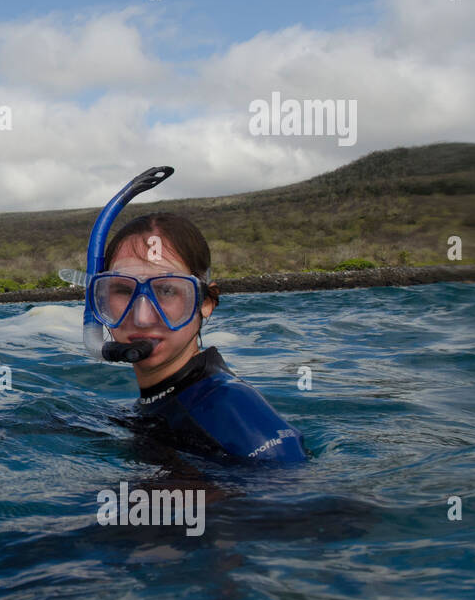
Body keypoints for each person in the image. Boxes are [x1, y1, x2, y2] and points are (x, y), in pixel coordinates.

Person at [81, 167, 307, 463]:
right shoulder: (171, 402)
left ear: (205, 302)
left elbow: (291, 497)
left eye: (168, 291)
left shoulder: (229, 406)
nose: (143, 316)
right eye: (123, 290)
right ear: (99, 303)